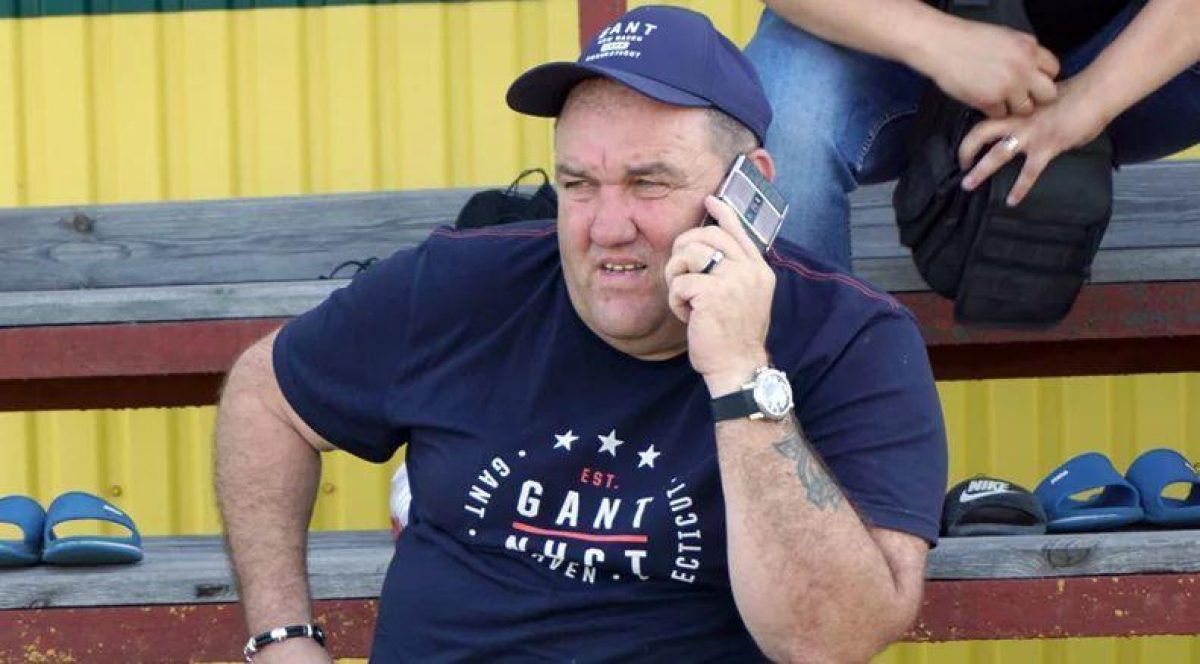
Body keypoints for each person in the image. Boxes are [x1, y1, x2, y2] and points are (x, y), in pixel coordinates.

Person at [214, 5, 948, 662]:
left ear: (747, 185)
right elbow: (264, 395)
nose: (607, 227)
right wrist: (283, 639)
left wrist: (741, 377)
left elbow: (832, 640)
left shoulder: (850, 339)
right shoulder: (461, 285)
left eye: (647, 182)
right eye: (578, 185)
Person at [745, 0, 1200, 269]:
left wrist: (1091, 100)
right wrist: (936, 39)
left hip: (1129, 52)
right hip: (890, 40)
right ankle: (801, 393)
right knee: (784, 123)